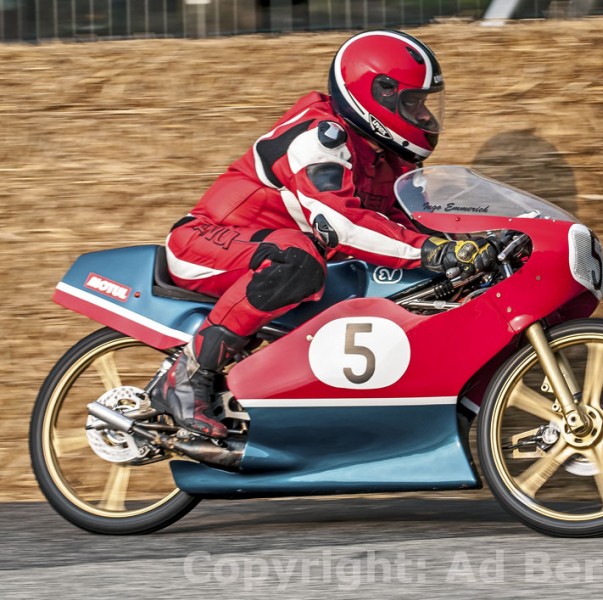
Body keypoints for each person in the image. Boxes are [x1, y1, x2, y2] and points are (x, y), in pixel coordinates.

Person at [151, 29, 497, 438]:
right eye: (412, 103)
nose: (424, 116)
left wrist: (474, 244)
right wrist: (431, 251)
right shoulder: (318, 139)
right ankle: (187, 374)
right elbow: (341, 227)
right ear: (378, 96)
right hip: (207, 242)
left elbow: (404, 225)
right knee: (298, 259)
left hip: (274, 252)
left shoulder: (387, 159)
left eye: (425, 104)